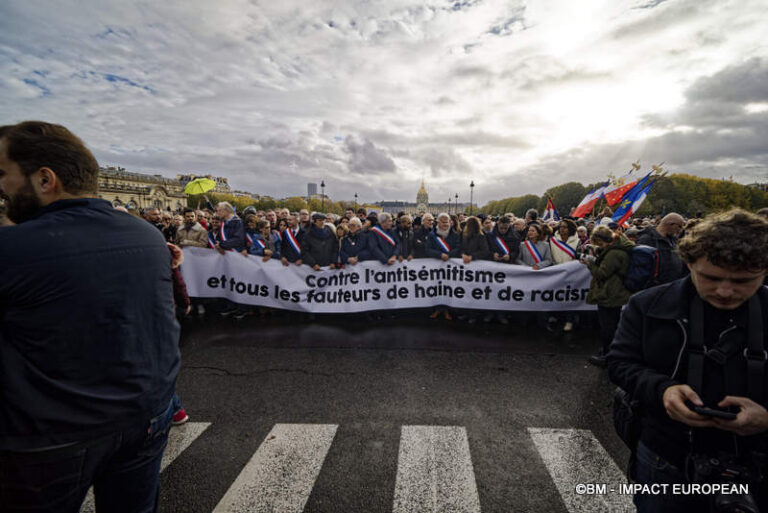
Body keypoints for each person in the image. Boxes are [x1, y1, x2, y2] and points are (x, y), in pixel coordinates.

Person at [0, 121, 179, 511]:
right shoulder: (147, 235)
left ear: (45, 179)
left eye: (3, 174)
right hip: (146, 414)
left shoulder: (12, 247)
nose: (2, 187)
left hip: (52, 436)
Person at [607, 209, 768, 512]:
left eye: (743, 281)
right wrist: (663, 390)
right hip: (666, 455)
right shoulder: (647, 304)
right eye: (711, 277)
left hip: (756, 461)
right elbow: (619, 362)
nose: (725, 291)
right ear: (688, 262)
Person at [582, 225, 634, 367]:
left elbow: (602, 273)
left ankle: (608, 355)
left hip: (610, 292)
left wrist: (589, 264)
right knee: (611, 323)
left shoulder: (614, 253)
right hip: (614, 291)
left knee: (608, 326)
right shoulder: (617, 248)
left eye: (598, 242)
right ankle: (608, 350)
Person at [426, 213, 461, 320]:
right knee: (437, 288)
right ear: (438, 222)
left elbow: (458, 248)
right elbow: (428, 249)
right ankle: (437, 309)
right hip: (437, 266)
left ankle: (447, 310)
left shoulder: (455, 234)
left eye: (447, 222)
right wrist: (440, 255)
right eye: (444, 222)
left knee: (448, 289)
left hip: (449, 266)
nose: (446, 224)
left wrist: (448, 255)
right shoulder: (432, 235)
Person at [636, 212, 687, 285]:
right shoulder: (647, 239)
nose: (681, 231)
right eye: (680, 226)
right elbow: (640, 268)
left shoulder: (674, 240)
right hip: (653, 288)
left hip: (671, 286)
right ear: (671, 224)